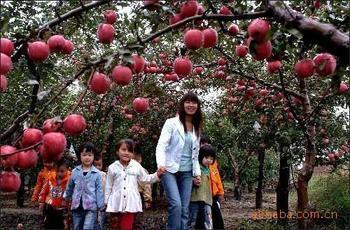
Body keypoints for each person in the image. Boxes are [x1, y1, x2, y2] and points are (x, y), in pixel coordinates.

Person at [156, 92, 203, 230]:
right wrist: (161, 164)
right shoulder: (171, 123)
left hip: (187, 172)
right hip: (169, 169)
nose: (191, 105)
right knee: (176, 205)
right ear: (183, 104)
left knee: (184, 208)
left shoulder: (197, 127)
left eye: (194, 102)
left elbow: (195, 154)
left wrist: (197, 173)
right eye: (188, 102)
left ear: (198, 106)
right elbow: (162, 145)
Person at [105, 139, 164, 230]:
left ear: (133, 154)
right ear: (117, 151)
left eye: (130, 151)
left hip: (130, 203)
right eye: (124, 150)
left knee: (126, 227)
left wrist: (157, 175)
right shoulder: (112, 168)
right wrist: (106, 201)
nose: (126, 153)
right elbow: (109, 186)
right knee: (115, 226)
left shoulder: (136, 166)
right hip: (116, 202)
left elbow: (145, 178)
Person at [64, 142, 104, 230]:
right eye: (84, 155)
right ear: (80, 156)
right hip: (76, 205)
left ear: (94, 157)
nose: (87, 157)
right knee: (77, 226)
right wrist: (66, 197)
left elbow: (99, 190)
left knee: (87, 227)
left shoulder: (96, 173)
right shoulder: (75, 171)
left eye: (90, 155)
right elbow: (70, 186)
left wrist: (100, 205)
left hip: (91, 206)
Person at [197, 135, 225, 229]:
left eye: (208, 143)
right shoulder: (197, 160)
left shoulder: (212, 162)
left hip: (213, 195)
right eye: (203, 143)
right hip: (202, 194)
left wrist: (220, 192)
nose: (206, 145)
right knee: (203, 217)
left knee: (217, 217)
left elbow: (217, 177)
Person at [39, 159, 71, 229]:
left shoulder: (70, 180)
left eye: (62, 171)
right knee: (48, 225)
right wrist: (41, 201)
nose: (59, 173)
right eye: (57, 171)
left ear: (68, 170)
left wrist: (71, 204)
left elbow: (73, 193)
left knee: (62, 226)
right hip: (50, 206)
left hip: (63, 207)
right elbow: (44, 189)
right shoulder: (50, 178)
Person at [189, 144, 216, 229]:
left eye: (211, 158)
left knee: (208, 220)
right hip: (195, 199)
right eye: (206, 157)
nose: (209, 160)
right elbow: (187, 180)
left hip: (207, 200)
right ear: (200, 156)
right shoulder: (196, 168)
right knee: (193, 220)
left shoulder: (209, 170)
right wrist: (193, 180)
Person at [131, 144, 153, 230]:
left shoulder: (143, 171)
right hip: (128, 196)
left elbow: (147, 185)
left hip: (139, 197)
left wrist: (147, 199)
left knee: (138, 219)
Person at [93, 153, 107, 230]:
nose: (97, 168)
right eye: (95, 165)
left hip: (101, 202)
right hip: (91, 202)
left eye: (99, 165)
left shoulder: (104, 175)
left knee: (100, 220)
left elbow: (106, 188)